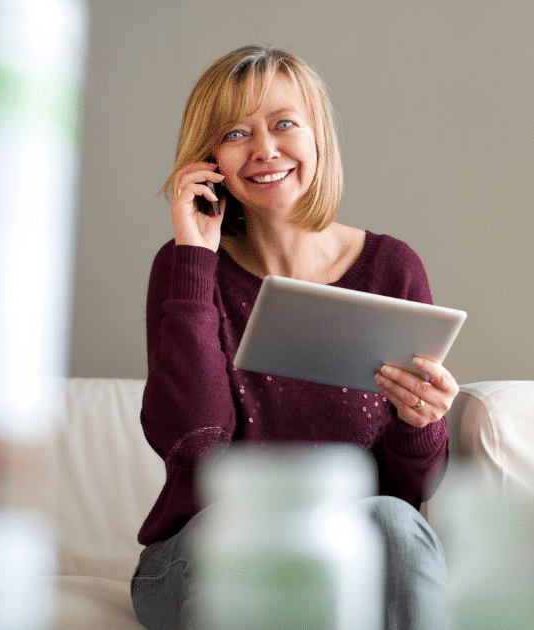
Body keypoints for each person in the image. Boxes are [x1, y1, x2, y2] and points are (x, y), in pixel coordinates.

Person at [129, 45, 454, 630]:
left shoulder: (392, 269)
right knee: (231, 537)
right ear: (210, 160)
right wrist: (196, 258)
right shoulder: (183, 268)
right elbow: (196, 446)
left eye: (283, 124)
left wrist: (421, 421)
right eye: (235, 133)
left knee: (399, 528)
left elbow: (410, 490)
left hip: (343, 546)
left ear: (318, 135)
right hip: (204, 550)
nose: (265, 150)